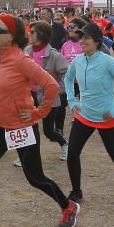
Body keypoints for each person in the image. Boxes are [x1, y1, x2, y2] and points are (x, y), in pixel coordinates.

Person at [0, 13, 79, 227]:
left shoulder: (22, 60)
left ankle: (68, 206)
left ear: (12, 36)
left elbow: (51, 86)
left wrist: (38, 112)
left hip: (21, 127)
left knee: (35, 178)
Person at [63, 23, 114, 203]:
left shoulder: (107, 61)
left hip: (106, 118)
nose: (82, 41)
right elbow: (68, 79)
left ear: (97, 41)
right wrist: (72, 101)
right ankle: (76, 192)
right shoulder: (78, 61)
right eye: (81, 37)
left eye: (86, 38)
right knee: (72, 153)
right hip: (84, 116)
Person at [24, 21, 69, 157]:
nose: (29, 34)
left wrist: (58, 90)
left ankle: (64, 144)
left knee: (48, 131)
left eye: (32, 32)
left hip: (47, 97)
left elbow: (67, 74)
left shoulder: (55, 55)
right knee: (29, 127)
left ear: (42, 34)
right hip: (29, 95)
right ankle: (26, 155)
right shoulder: (27, 51)